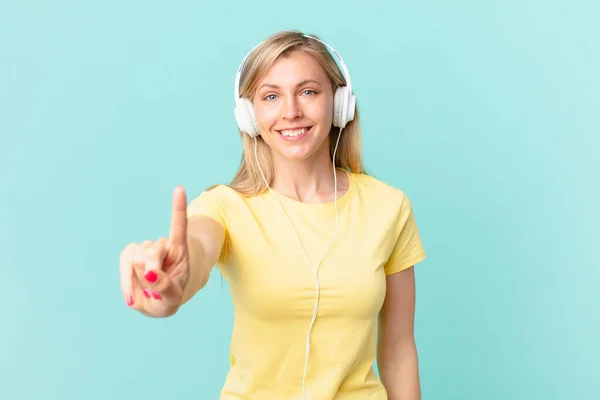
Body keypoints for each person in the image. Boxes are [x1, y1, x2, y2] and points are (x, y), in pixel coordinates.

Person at [119, 30, 427, 400]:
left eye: (309, 91)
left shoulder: (388, 207)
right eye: (270, 96)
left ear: (339, 103)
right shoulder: (224, 207)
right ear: (250, 116)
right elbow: (194, 254)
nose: (291, 111)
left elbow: (398, 350)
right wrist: (168, 285)